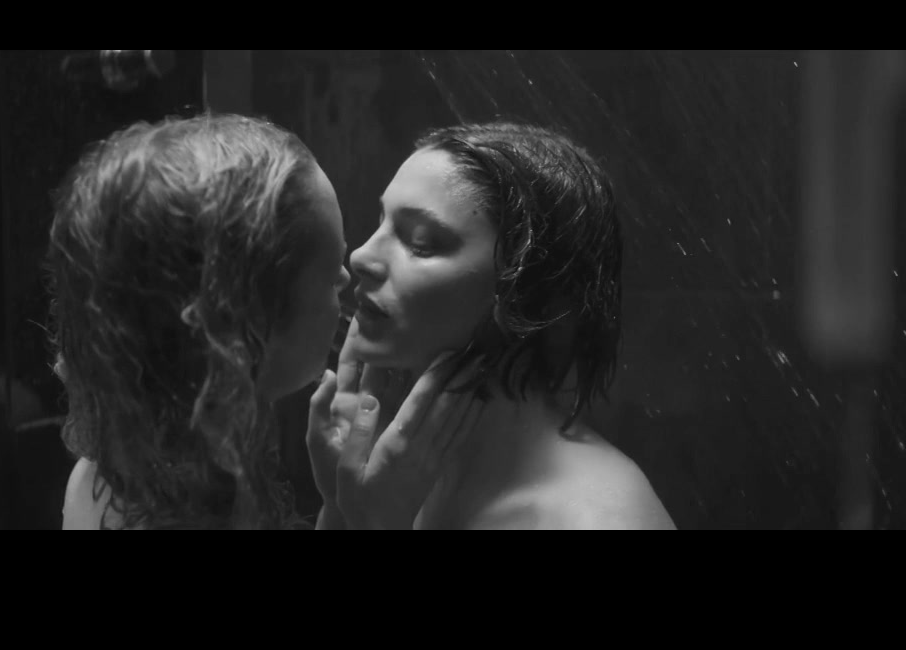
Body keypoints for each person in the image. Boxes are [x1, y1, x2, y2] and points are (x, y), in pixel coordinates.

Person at [49, 114, 471, 529]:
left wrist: (339, 507)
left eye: (420, 242)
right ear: (246, 319)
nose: (352, 270)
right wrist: (377, 522)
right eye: (329, 276)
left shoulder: (112, 472)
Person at [308, 121, 676, 530]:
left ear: (527, 292)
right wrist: (341, 507)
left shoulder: (595, 521)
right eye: (381, 222)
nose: (361, 256)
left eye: (421, 242)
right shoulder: (400, 475)